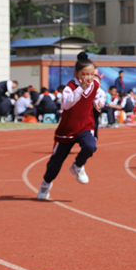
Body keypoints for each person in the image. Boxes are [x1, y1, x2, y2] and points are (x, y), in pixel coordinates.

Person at [37, 52, 100, 200]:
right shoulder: (70, 87)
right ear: (76, 73)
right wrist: (80, 89)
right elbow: (66, 104)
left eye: (91, 74)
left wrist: (96, 101)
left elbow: (96, 93)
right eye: (85, 74)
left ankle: (77, 166)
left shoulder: (95, 84)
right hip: (67, 129)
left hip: (85, 125)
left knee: (91, 146)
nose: (89, 77)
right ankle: (46, 184)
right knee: (56, 161)